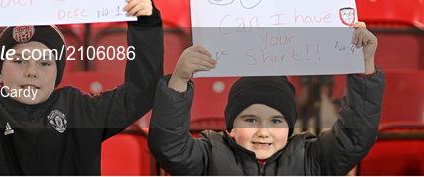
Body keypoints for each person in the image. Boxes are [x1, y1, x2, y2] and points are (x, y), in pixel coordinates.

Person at [0, 0, 164, 175]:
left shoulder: (80, 110)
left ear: (58, 74)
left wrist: (146, 26)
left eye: (44, 63)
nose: (32, 72)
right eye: (19, 61)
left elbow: (141, 93)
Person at [148, 22, 384, 175]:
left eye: (276, 121)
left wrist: (364, 65)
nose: (263, 131)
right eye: (250, 120)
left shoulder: (311, 159)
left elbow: (355, 137)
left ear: (291, 128)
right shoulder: (208, 156)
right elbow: (169, 146)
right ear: (230, 127)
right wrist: (179, 78)